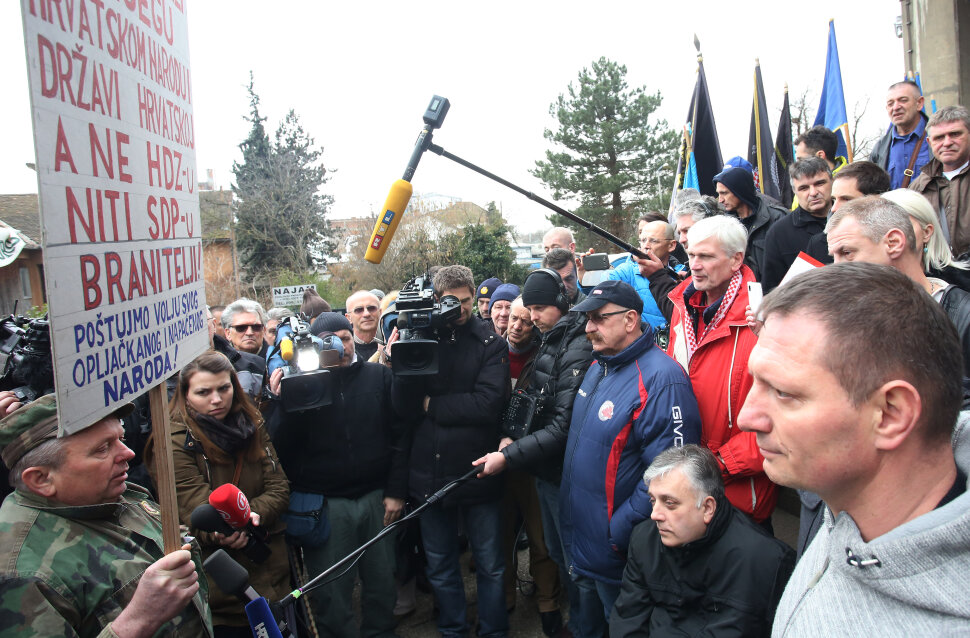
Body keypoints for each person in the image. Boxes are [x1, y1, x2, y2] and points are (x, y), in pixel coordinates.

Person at [738, 262, 970, 636]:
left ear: (891, 414)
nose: (747, 418)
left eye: (783, 392)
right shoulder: (846, 503)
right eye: (756, 382)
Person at [0, 395, 214, 637]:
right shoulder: (21, 573)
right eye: (102, 449)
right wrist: (138, 620)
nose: (128, 453)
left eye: (121, 439)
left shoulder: (119, 494)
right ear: (41, 479)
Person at [560, 280, 701, 620]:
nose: (588, 328)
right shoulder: (598, 366)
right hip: (584, 538)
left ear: (630, 319)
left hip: (618, 553)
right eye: (587, 319)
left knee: (624, 623)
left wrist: (618, 533)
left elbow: (670, 475)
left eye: (599, 318)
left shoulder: (663, 380)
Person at [271, 311, 408, 637]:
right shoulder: (301, 384)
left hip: (377, 498)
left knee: (382, 581)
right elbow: (280, 446)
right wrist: (280, 402)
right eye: (328, 341)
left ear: (353, 338)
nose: (340, 347)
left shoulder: (379, 376)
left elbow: (401, 435)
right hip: (326, 505)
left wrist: (396, 490)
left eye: (345, 338)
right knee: (331, 592)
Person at [476, 270, 595, 637]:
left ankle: (571, 618)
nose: (527, 321)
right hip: (532, 460)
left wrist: (510, 453)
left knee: (561, 552)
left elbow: (561, 423)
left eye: (535, 312)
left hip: (550, 467)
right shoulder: (549, 340)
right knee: (548, 549)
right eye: (522, 313)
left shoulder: (572, 345)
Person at [394, 264, 510, 638]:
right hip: (429, 472)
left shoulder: (491, 343)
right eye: (451, 301)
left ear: (474, 297)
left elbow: (488, 404)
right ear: (435, 298)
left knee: (491, 565)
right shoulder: (419, 337)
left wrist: (432, 406)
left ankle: (493, 631)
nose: (459, 309)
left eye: (465, 301)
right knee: (441, 565)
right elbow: (402, 407)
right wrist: (398, 357)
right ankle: (452, 630)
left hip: (477, 470)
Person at [145, 351, 290, 637]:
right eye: (203, 392)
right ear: (185, 395)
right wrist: (225, 531)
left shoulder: (252, 423)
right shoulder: (172, 444)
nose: (216, 399)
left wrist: (251, 516)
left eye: (224, 388)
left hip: (273, 572)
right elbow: (194, 510)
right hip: (222, 590)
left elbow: (278, 487)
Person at [610, 445, 795, 638]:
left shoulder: (765, 561)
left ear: (707, 508)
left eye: (669, 503)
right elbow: (628, 621)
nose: (655, 515)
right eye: (653, 501)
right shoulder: (644, 540)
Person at [667, 215, 778, 527]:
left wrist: (719, 465)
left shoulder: (764, 322)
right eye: (691, 255)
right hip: (687, 480)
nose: (694, 265)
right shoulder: (681, 308)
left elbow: (779, 420)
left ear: (736, 260)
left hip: (739, 498)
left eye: (706, 256)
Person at [825, 196, 970, 377]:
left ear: (893, 242)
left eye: (847, 252)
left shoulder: (964, 317)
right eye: (834, 257)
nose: (837, 267)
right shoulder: (844, 316)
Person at [489, 295, 566, 636]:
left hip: (533, 460)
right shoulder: (491, 353)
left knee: (540, 536)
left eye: (525, 320)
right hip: (494, 458)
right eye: (513, 319)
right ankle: (506, 595)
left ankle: (548, 600)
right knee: (500, 534)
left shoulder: (546, 356)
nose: (517, 326)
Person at [760, 157, 833, 291]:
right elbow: (771, 290)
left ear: (832, 181)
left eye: (819, 183)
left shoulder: (853, 219)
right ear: (794, 191)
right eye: (804, 188)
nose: (813, 193)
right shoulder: (779, 233)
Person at [910, 105, 970, 259]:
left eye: (955, 134)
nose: (947, 142)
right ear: (930, 143)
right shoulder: (918, 188)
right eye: (939, 137)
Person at [803, 161, 891, 264]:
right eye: (834, 199)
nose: (834, 208)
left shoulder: (896, 239)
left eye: (846, 199)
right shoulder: (818, 245)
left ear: (876, 200)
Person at [713, 166, 786, 279]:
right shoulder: (724, 225)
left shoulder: (777, 218)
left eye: (724, 193)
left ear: (740, 191)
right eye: (719, 194)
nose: (720, 200)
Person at [607, 221, 676, 329]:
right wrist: (584, 278)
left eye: (653, 241)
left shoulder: (682, 274)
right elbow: (601, 292)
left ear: (671, 245)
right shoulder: (626, 272)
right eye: (643, 240)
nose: (646, 246)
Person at [871, 80, 932, 189]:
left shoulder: (940, 139)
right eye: (890, 103)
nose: (895, 107)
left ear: (919, 103)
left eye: (903, 100)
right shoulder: (880, 148)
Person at [344, 289, 382, 362]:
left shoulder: (392, 341)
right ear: (349, 318)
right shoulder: (343, 348)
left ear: (380, 312)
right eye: (359, 310)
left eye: (371, 308)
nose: (366, 314)